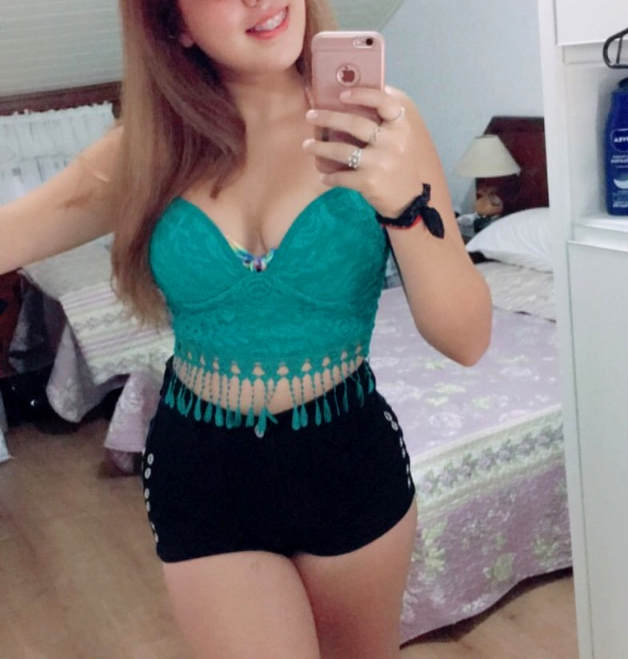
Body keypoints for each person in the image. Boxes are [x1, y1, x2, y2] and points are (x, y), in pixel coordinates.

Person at [0, 0, 492, 656]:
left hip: (349, 460)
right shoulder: (146, 150)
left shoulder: (380, 125)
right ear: (173, 23)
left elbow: (466, 339)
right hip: (204, 472)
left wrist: (404, 204)